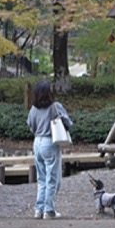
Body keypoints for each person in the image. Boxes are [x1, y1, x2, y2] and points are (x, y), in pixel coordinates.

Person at [26, 80, 73, 219]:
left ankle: (38, 210)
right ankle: (49, 210)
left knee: (41, 179)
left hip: (37, 143)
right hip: (50, 143)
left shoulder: (33, 109)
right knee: (52, 179)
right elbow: (68, 123)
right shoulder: (55, 107)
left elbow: (30, 126)